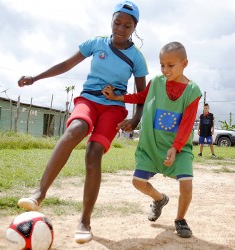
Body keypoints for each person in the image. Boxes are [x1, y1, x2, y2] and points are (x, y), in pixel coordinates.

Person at [17, 1, 148, 244]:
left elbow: (141, 94)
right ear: (111, 21)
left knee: (93, 152)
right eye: (117, 22)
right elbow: (66, 64)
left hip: (114, 108)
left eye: (127, 25)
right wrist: (36, 77)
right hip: (88, 99)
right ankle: (39, 193)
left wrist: (136, 118)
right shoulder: (96, 44)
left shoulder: (137, 58)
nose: (121, 28)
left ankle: (85, 221)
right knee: (76, 129)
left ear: (135, 27)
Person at [103, 41, 202, 238]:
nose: (165, 69)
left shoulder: (192, 91)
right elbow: (141, 97)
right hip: (152, 145)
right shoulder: (156, 82)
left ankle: (180, 219)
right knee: (138, 182)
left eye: (171, 65)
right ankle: (159, 199)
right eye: (162, 65)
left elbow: (187, 123)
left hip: (178, 148)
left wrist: (176, 147)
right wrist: (117, 98)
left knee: (187, 185)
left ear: (185, 63)